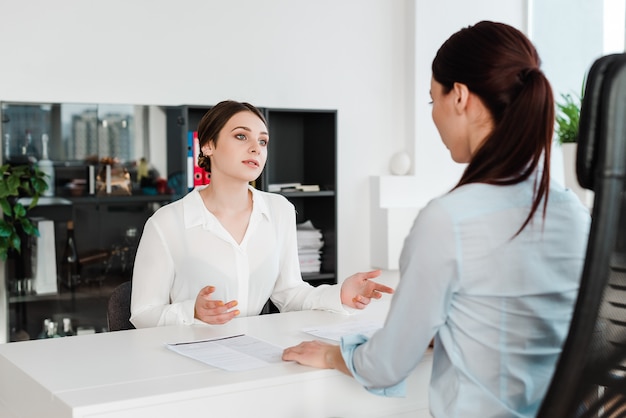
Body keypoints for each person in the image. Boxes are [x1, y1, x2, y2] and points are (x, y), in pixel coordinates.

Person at [282, 21, 591, 418]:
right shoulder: (574, 213)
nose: (434, 116)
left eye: (433, 101)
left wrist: (332, 356)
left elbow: (385, 367)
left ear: (459, 96)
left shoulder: (449, 220)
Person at [130, 100, 393, 328]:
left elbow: (289, 293)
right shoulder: (167, 223)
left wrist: (339, 295)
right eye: (241, 136)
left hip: (252, 351)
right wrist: (192, 312)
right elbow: (142, 314)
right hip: (186, 355)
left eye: (263, 141)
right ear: (208, 145)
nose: (256, 148)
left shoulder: (279, 211)